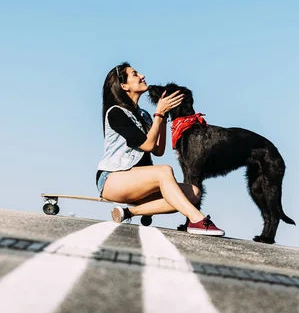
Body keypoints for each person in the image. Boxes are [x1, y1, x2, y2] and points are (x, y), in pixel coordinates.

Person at [96, 62, 225, 236]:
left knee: (194, 192)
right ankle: (197, 220)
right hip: (112, 179)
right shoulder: (116, 112)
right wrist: (159, 113)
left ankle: (128, 212)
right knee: (164, 171)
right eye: (135, 74)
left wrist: (162, 116)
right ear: (124, 86)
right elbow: (148, 145)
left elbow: (157, 150)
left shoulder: (144, 116)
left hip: (138, 183)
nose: (142, 75)